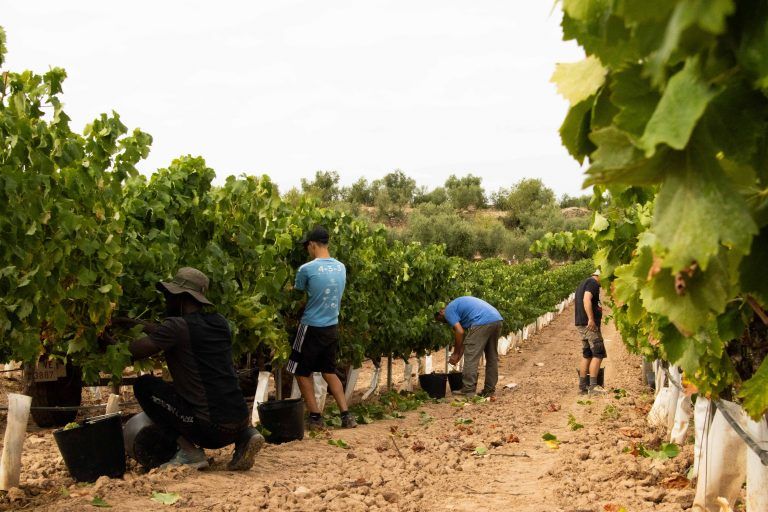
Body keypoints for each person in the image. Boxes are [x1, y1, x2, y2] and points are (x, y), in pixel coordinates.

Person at [117, 267, 264, 470]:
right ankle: (246, 436)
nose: (167, 300)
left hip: (209, 430)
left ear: (181, 297)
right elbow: (169, 331)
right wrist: (133, 324)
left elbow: (133, 352)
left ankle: (189, 452)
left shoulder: (176, 328)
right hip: (239, 419)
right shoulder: (220, 323)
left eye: (169, 295)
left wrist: (109, 343)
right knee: (204, 389)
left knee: (145, 386)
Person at [287, 226, 357, 431]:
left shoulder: (306, 269)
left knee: (301, 372)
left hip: (310, 327)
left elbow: (297, 295)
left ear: (312, 245)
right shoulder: (341, 267)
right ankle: (346, 415)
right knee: (329, 370)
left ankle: (315, 417)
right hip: (332, 327)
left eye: (307, 246)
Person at [435, 296, 503, 397]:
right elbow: (466, 339)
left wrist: (455, 353)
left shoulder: (449, 311)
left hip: (482, 322)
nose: (444, 322)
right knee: (491, 356)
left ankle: (468, 389)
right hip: (496, 319)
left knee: (471, 357)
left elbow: (460, 331)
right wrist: (458, 355)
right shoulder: (458, 307)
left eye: (441, 320)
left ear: (441, 312)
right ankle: (489, 390)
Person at [575, 269, 606, 395]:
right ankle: (593, 386)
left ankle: (583, 386)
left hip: (581, 324)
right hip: (589, 325)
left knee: (587, 354)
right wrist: (591, 319)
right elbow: (586, 299)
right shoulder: (592, 283)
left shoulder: (584, 282)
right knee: (598, 353)